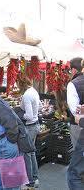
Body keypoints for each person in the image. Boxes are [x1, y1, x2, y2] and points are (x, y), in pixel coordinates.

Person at [16, 74, 40, 188]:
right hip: (35, 125)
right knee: (31, 152)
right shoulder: (33, 91)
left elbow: (29, 116)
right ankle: (35, 178)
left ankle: (30, 182)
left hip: (29, 127)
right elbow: (38, 107)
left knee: (26, 154)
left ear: (21, 84)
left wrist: (19, 115)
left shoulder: (26, 95)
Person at [66, 57, 84, 189]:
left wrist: (80, 117)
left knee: (75, 172)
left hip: (80, 127)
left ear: (73, 69)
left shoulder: (73, 84)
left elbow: (75, 112)